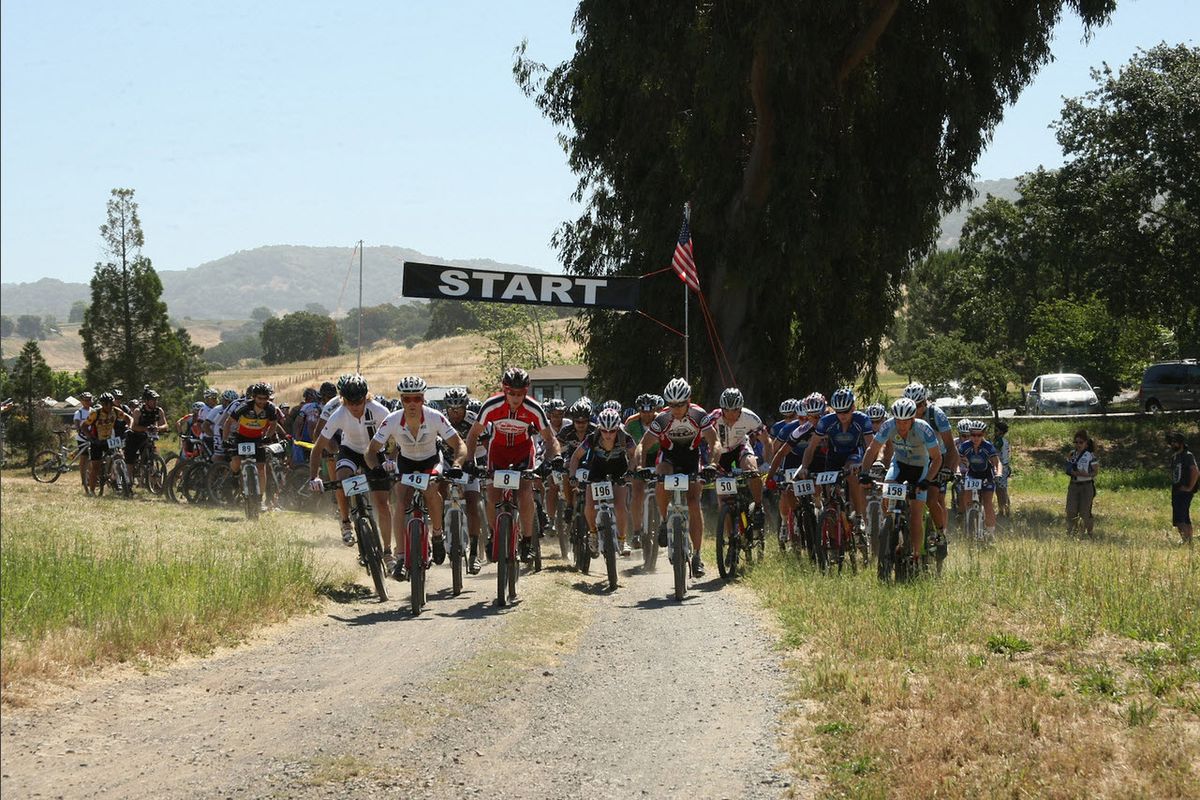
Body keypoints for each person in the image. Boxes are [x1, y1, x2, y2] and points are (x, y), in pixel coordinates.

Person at [366, 375, 466, 579]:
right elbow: (370, 451)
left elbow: (459, 444)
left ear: (423, 399)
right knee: (400, 501)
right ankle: (401, 556)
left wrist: (456, 464)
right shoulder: (392, 420)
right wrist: (375, 467)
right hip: (407, 462)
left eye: (417, 399)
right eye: (407, 399)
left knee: (430, 489)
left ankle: (437, 535)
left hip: (430, 460)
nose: (412, 404)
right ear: (401, 400)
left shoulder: (434, 417)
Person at [462, 367, 562, 566]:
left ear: (526, 392)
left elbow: (550, 439)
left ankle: (527, 542)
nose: (516, 398)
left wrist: (555, 458)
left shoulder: (533, 408)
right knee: (492, 494)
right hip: (498, 452)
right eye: (512, 393)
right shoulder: (491, 405)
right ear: (504, 390)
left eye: (520, 394)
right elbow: (473, 435)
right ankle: (493, 534)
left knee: (525, 493)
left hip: (523, 452)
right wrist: (469, 461)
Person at [634, 377, 718, 578]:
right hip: (669, 457)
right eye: (672, 404)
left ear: (688, 400)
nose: (676, 409)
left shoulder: (699, 415)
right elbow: (642, 445)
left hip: (691, 457)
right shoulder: (662, 418)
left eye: (680, 404)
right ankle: (664, 521)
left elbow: (714, 441)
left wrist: (713, 463)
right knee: (662, 477)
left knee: (694, 502)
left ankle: (697, 556)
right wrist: (639, 466)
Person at [307, 375, 393, 554]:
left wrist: (392, 459)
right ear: (343, 400)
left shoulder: (379, 410)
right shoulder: (339, 413)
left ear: (366, 397)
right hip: (350, 451)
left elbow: (397, 436)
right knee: (341, 479)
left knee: (383, 503)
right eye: (350, 402)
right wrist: (314, 477)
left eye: (359, 401)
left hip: (375, 452)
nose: (354, 406)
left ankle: (387, 552)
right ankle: (346, 522)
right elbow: (317, 448)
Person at [860, 397, 942, 574]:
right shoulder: (888, 426)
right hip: (899, 465)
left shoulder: (923, 429)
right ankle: (891, 527)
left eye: (905, 422)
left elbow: (937, 459)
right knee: (886, 494)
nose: (901, 425)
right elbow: (872, 450)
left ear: (912, 419)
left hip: (920, 468)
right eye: (898, 421)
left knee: (915, 514)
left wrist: (926, 480)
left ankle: (915, 556)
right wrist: (864, 473)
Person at [569, 407, 638, 559]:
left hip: (619, 470)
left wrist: (631, 471)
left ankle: (622, 540)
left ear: (617, 429)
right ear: (599, 428)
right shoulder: (592, 438)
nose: (608, 435)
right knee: (590, 505)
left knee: (620, 507)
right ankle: (593, 533)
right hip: (597, 470)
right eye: (604, 431)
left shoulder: (625, 438)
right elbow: (575, 457)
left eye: (612, 431)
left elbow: (634, 456)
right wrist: (572, 476)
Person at [83, 393, 134, 494]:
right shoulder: (95, 413)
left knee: (118, 456)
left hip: (110, 440)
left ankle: (121, 482)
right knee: (96, 467)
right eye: (106, 404)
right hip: (97, 441)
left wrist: (129, 428)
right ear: (102, 404)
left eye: (110, 403)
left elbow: (129, 419)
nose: (109, 406)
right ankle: (92, 491)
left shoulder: (115, 411)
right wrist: (91, 438)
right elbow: (84, 426)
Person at [1065, 428, 1098, 537]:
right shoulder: (1072, 454)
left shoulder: (1090, 456)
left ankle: (1089, 534)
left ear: (1086, 443)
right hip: (1074, 485)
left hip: (1086, 486)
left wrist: (1085, 474)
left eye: (1081, 442)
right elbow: (1067, 468)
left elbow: (1095, 472)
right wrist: (1071, 470)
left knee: (1085, 512)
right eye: (1076, 442)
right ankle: (1071, 533)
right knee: (1071, 510)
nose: (1078, 445)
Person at [1167, 431, 1197, 546]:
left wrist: (1190, 487)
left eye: (1175, 442)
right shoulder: (1175, 457)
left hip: (1184, 491)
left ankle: (1186, 542)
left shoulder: (1187, 455)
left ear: (1181, 443)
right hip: (1177, 489)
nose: (1172, 444)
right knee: (1184, 517)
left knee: (1180, 519)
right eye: (1171, 442)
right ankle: (1188, 541)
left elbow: (1195, 471)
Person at [72, 391, 94, 489]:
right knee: (84, 459)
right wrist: (79, 429)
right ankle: (83, 480)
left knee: (93, 459)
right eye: (86, 400)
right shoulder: (79, 412)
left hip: (92, 437)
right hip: (82, 438)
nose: (88, 402)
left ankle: (91, 478)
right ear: (82, 401)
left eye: (89, 400)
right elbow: (77, 424)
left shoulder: (93, 411)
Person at [993, 421, 1012, 517]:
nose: (995, 432)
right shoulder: (1005, 441)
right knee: (1000, 490)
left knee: (1002, 490)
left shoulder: (999, 441)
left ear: (1001, 431)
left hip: (1001, 467)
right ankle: (1003, 510)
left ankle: (1005, 510)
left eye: (996, 430)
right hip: (1005, 466)